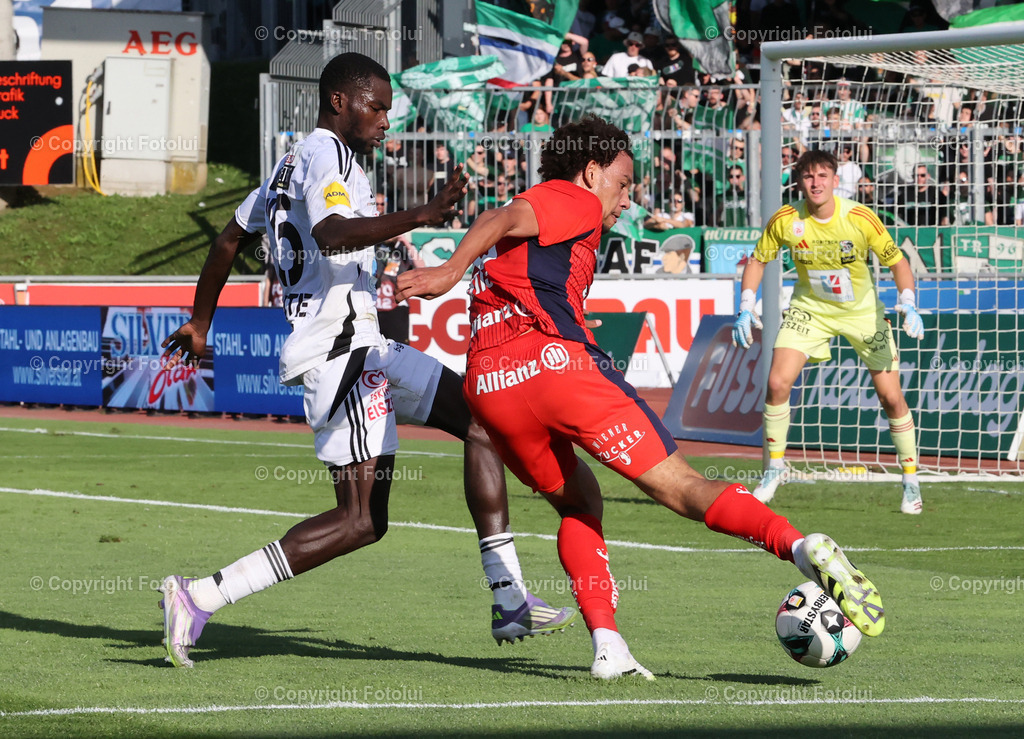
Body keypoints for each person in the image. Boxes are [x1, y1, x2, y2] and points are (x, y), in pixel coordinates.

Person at [397, 117, 886, 681]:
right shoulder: (574, 199)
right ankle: (801, 547)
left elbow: (508, 226)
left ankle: (608, 647)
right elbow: (502, 216)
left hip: (491, 388)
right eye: (624, 183)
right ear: (591, 171)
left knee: (580, 505)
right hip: (556, 367)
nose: (628, 200)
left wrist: (459, 273)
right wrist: (449, 271)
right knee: (683, 488)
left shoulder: (563, 222)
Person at [156, 53, 575, 668]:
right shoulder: (327, 152)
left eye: (387, 107)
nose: (385, 118)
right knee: (359, 522)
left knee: (483, 419)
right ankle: (199, 596)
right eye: (375, 105)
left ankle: (509, 595)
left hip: (365, 345)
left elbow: (228, 240)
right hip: (340, 353)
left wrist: (201, 320)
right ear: (338, 102)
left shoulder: (287, 165)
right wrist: (422, 216)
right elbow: (331, 231)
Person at [733, 149, 925, 515]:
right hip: (811, 311)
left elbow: (897, 260)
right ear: (800, 181)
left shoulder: (860, 218)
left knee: (891, 398)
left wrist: (909, 301)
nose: (815, 183)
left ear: (836, 180)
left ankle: (911, 480)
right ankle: (775, 470)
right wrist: (746, 305)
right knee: (776, 383)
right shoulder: (787, 220)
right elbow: (757, 260)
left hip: (863, 314)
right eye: (808, 176)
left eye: (823, 176)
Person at [373, 191, 424, 343]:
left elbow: (421, 267)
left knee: (399, 350)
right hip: (374, 309)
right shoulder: (373, 245)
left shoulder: (403, 248)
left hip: (396, 309)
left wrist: (405, 242)